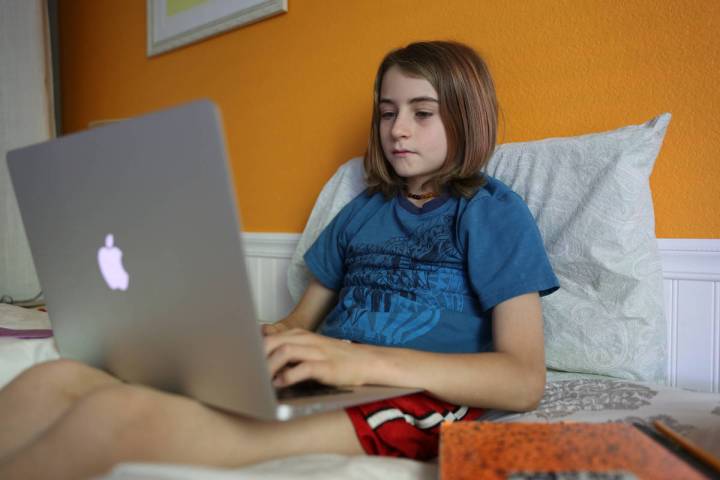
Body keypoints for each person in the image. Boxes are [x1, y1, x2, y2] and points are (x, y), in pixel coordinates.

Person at [0, 40, 559, 479]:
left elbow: (521, 379)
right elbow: (297, 324)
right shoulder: (362, 212)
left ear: (467, 116)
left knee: (117, 421)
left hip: (415, 398)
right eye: (388, 113)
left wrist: (361, 364)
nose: (398, 129)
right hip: (327, 374)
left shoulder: (491, 214)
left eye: (422, 113)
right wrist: (227, 340)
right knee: (54, 380)